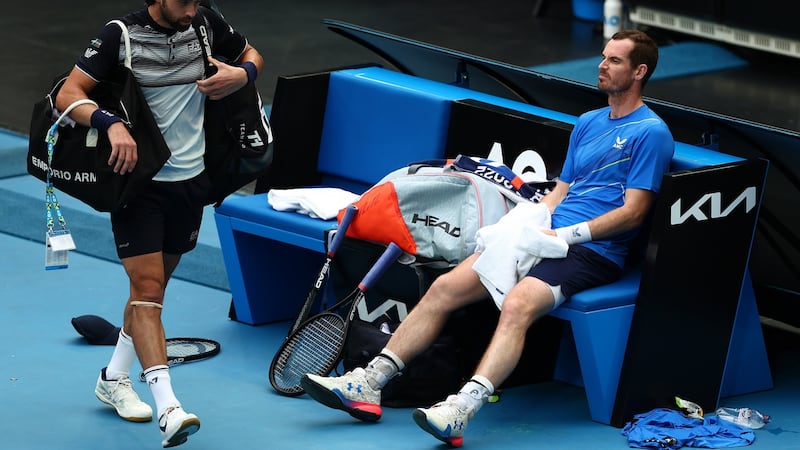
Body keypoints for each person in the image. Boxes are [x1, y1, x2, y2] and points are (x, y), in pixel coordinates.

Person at [300, 29, 675, 447]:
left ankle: (462, 408)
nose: (603, 66)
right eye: (603, 58)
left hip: (593, 251)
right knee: (444, 288)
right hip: (544, 234)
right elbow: (561, 193)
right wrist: (529, 222)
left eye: (615, 61)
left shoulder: (651, 133)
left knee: (517, 305)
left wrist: (567, 234)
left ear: (640, 71)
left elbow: (634, 212)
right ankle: (370, 382)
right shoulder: (587, 123)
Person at [55, 0, 263, 447]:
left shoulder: (205, 20)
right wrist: (110, 123)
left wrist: (241, 75)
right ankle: (170, 407)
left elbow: (252, 55)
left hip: (191, 182)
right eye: (183, 1)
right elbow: (68, 94)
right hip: (138, 184)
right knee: (148, 291)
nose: (191, 8)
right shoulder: (119, 35)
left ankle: (113, 377)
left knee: (152, 292)